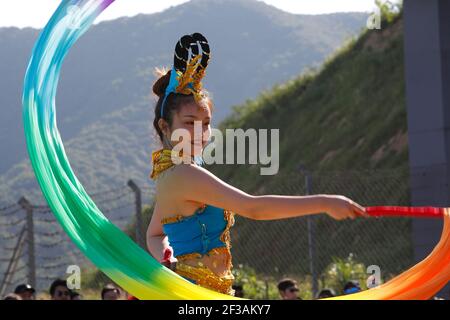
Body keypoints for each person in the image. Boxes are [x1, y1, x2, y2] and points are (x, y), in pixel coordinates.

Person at [146, 33, 367, 297]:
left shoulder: (169, 174)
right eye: (189, 122)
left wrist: (167, 256)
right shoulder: (184, 174)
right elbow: (254, 207)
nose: (199, 133)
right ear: (165, 126)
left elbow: (155, 234)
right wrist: (325, 203)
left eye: (205, 124)